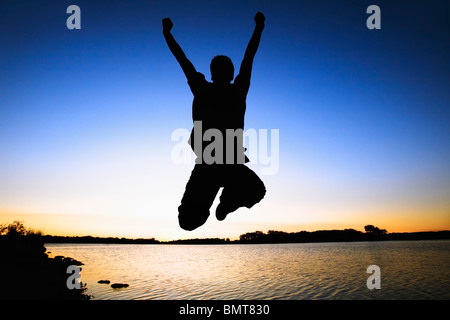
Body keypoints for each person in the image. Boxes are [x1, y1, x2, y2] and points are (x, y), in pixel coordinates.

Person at [163, 12, 266, 231]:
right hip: (208, 164)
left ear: (230, 74)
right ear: (213, 73)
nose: (222, 73)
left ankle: (228, 200)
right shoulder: (203, 88)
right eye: (220, 70)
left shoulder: (237, 89)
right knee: (188, 222)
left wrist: (259, 28)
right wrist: (167, 35)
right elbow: (183, 60)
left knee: (257, 190)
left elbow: (249, 57)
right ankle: (224, 197)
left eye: (225, 70)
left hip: (230, 162)